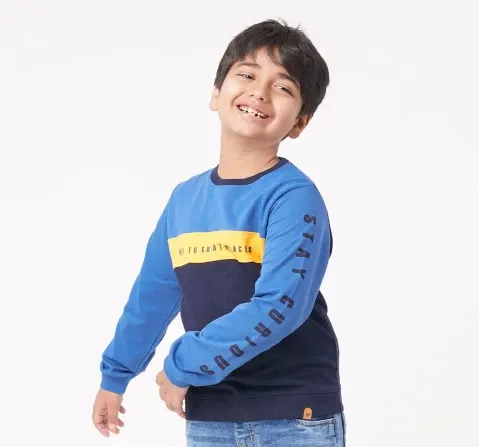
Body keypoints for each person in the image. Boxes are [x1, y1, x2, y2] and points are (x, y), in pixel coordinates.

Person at [92, 18, 346, 446]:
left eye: (283, 87)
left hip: (293, 416)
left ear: (299, 123)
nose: (259, 93)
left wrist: (181, 365)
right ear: (216, 93)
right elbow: (152, 296)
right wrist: (115, 375)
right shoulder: (185, 200)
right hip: (210, 415)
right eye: (247, 75)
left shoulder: (293, 197)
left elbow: (279, 307)